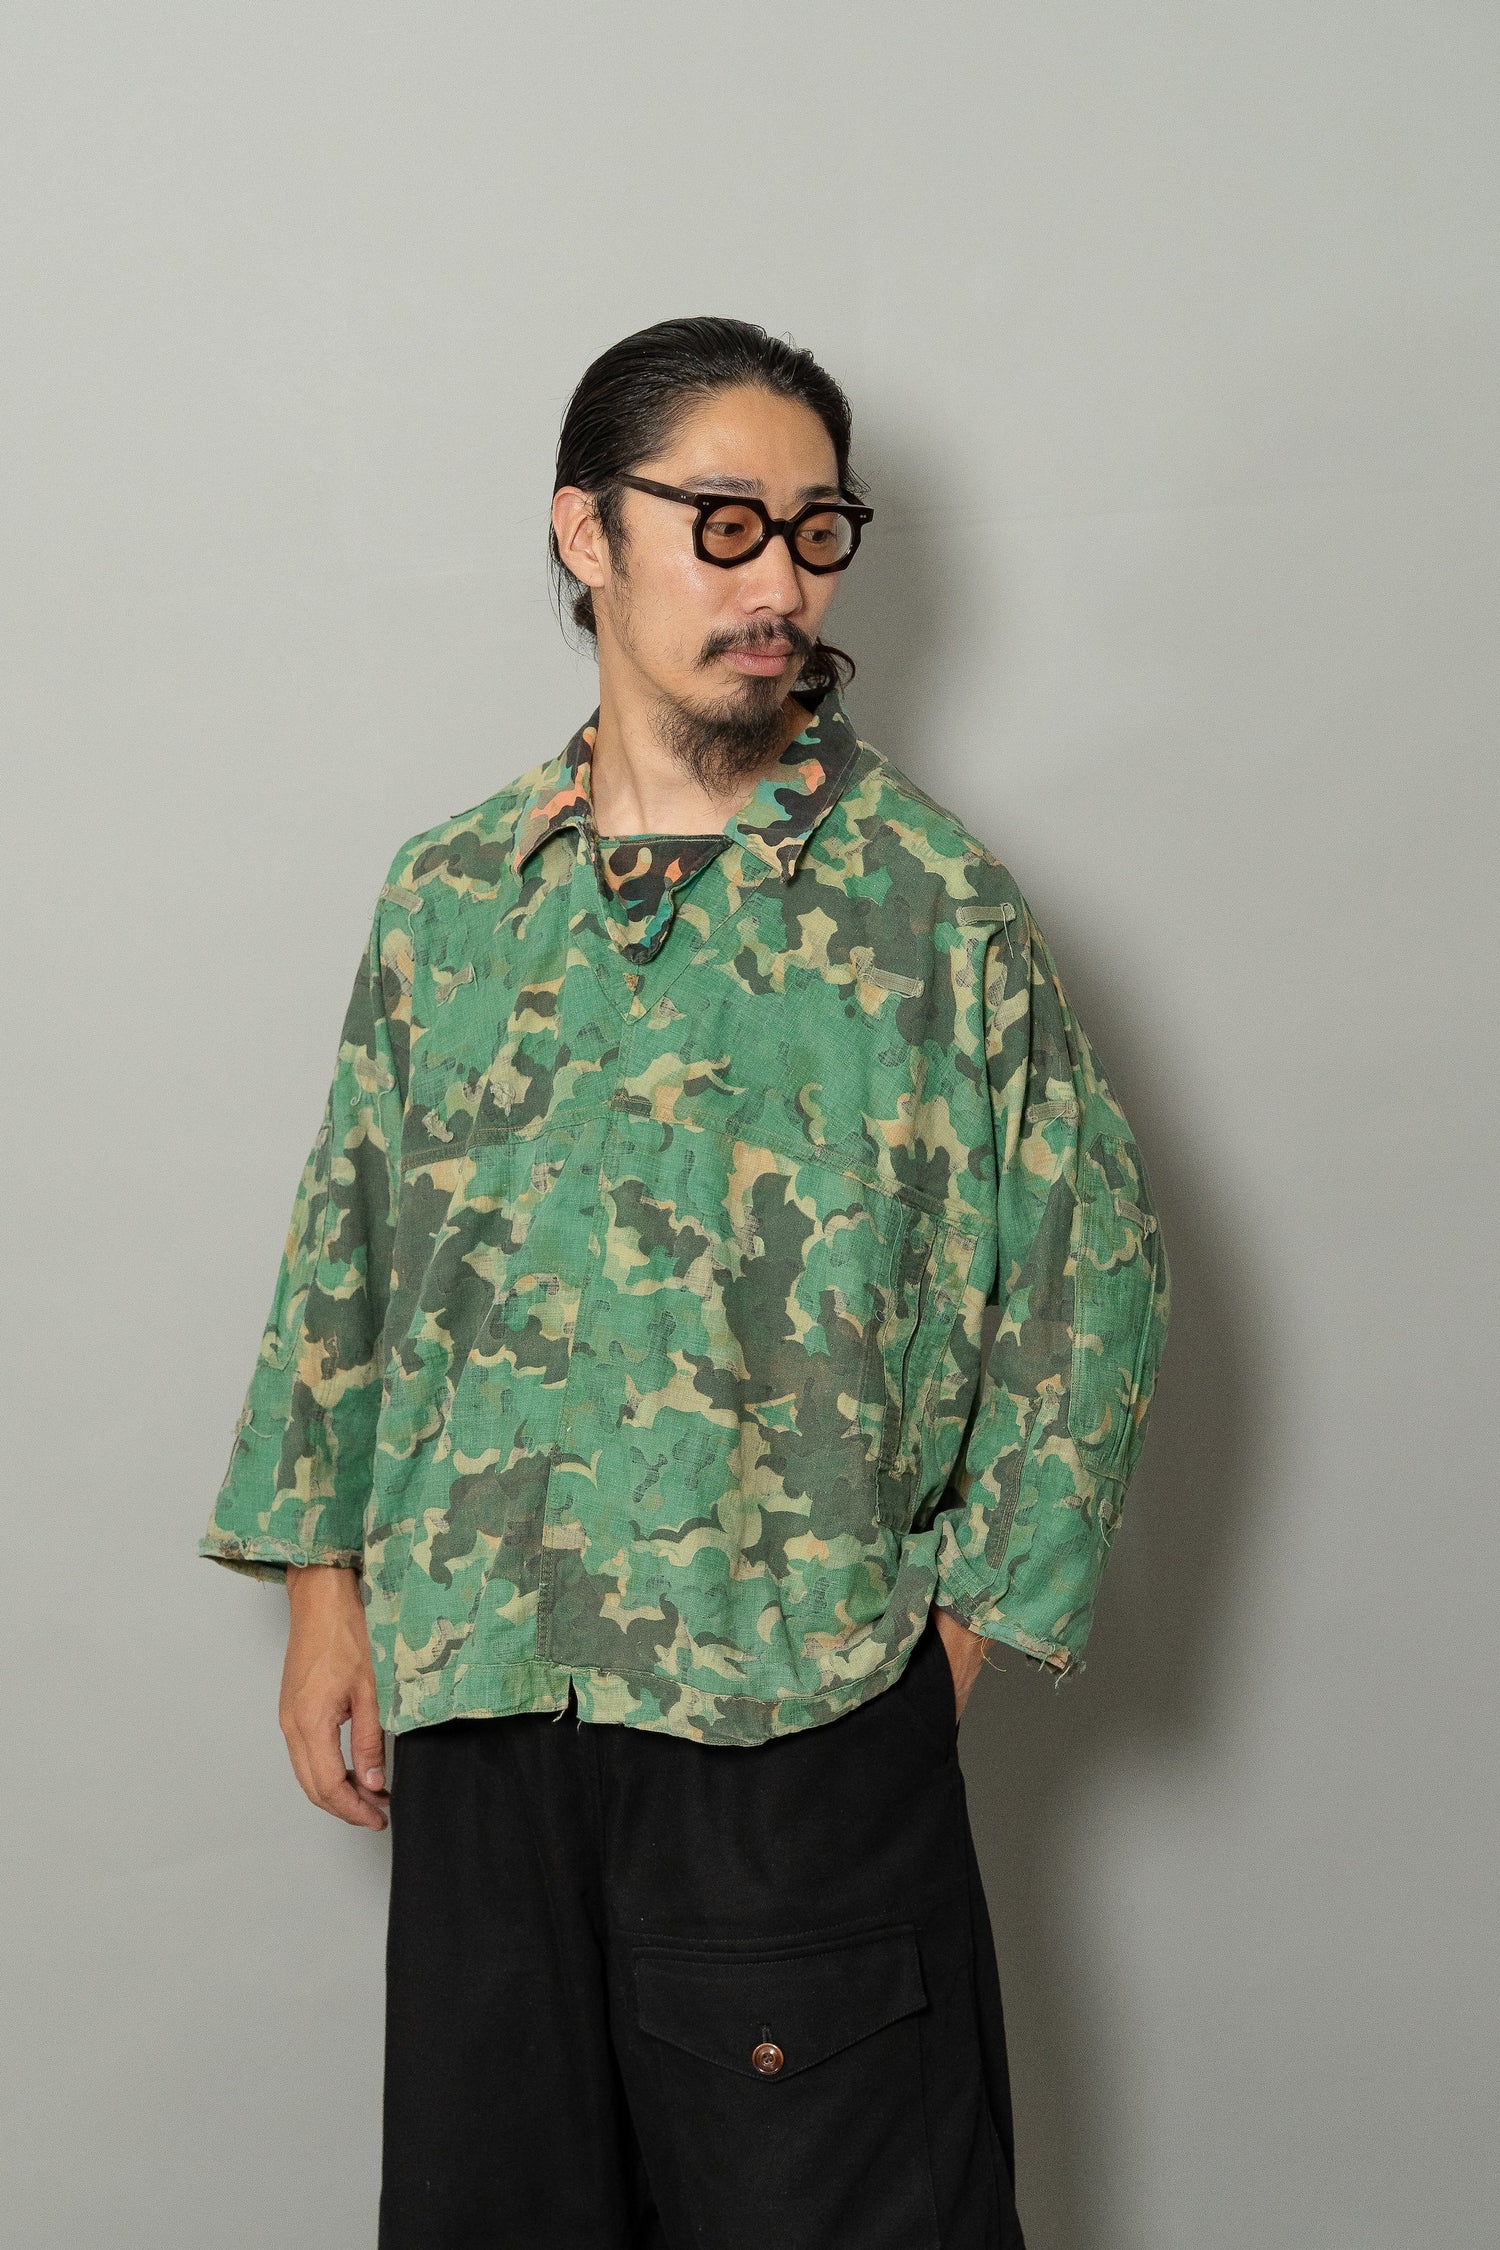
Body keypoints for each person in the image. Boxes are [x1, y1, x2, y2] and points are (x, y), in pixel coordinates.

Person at [200, 315, 1170, 2250]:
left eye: (816, 531)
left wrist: (952, 1642)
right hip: (486, 1710)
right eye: (724, 524)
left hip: (796, 1719)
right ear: (588, 532)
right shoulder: (451, 897)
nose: (777, 581)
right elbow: (348, 1242)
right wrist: (324, 1594)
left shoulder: (930, 906)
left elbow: (1096, 1276)